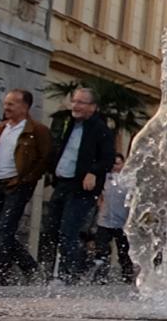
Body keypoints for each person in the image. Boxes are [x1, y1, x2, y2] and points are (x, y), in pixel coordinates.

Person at [41, 85, 118, 282]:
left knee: (69, 231)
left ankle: (70, 274)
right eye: (74, 101)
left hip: (82, 188)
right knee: (50, 229)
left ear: (93, 107)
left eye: (81, 102)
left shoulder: (100, 129)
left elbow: (108, 158)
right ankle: (51, 271)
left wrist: (93, 172)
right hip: (62, 183)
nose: (75, 106)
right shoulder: (67, 124)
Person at [0, 89, 52, 281]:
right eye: (6, 103)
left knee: (4, 229)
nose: (6, 107)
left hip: (18, 186)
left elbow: (45, 158)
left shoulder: (37, 130)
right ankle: (30, 267)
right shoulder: (0, 128)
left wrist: (28, 179)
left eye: (11, 104)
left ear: (24, 106)